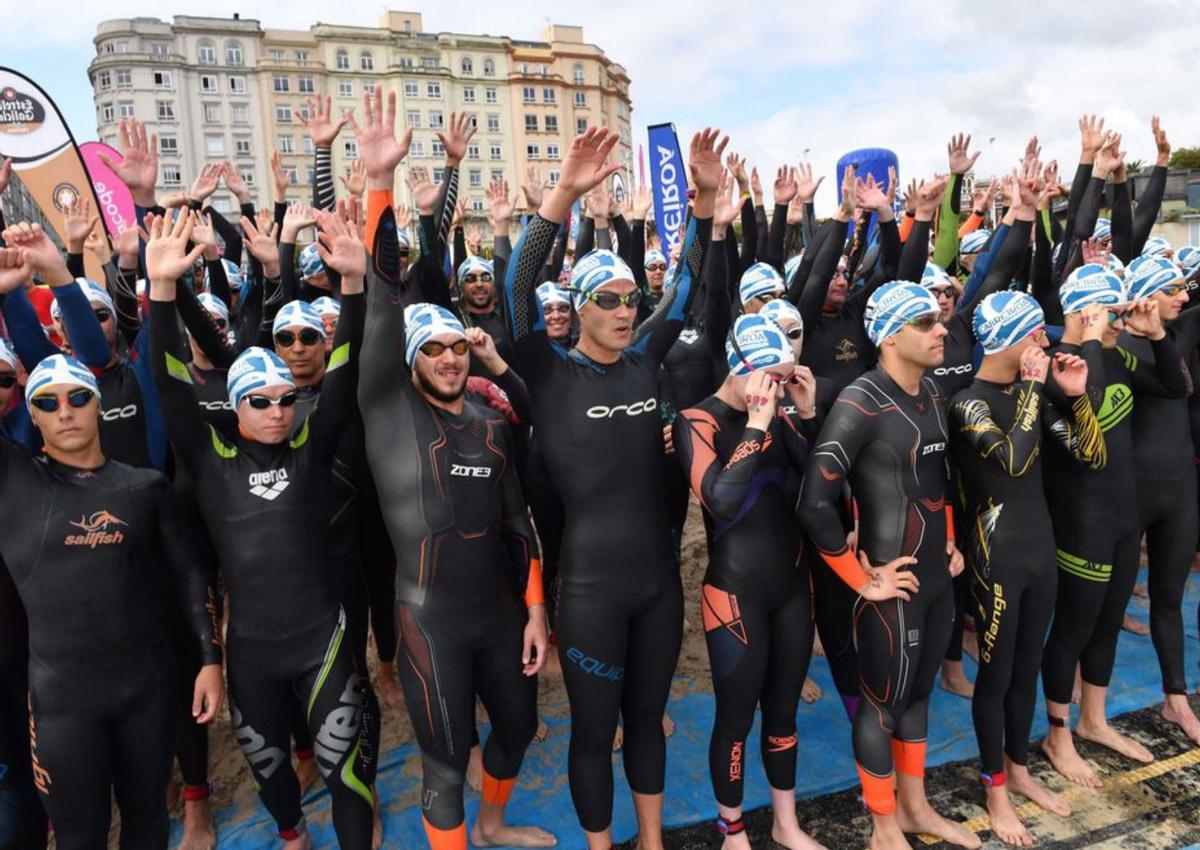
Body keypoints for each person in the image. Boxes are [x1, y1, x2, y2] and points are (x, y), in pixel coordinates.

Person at [502, 126, 723, 850]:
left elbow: (687, 284)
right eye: (609, 300)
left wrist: (709, 201)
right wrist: (564, 192)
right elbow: (517, 281)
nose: (627, 311)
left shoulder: (644, 359)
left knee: (648, 720)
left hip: (658, 585)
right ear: (577, 307)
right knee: (594, 734)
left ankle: (652, 841)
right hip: (590, 590)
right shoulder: (547, 368)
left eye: (632, 297)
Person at [347, 86, 552, 850]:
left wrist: (535, 610)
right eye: (431, 349)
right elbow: (380, 296)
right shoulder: (389, 410)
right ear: (408, 361)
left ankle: (493, 823)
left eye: (456, 346)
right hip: (429, 620)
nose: (446, 358)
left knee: (521, 726)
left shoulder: (490, 418)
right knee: (441, 764)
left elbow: (519, 521)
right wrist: (377, 186)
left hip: (500, 614)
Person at [146, 206, 374, 847]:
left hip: (320, 640)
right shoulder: (212, 461)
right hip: (251, 651)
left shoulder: (312, 451)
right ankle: (293, 835)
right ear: (235, 407)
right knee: (271, 769)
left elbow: (345, 371)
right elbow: (168, 384)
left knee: (346, 773)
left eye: (286, 400)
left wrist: (353, 287)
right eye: (260, 402)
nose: (277, 412)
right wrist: (162, 292)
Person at [0, 328, 222, 850]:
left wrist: (210, 659)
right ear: (31, 415)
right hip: (62, 704)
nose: (65, 411)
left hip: (147, 689)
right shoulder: (14, 483)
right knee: (81, 837)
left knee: (148, 824)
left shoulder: (143, 487)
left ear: (99, 405)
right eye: (47, 403)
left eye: (79, 397)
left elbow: (189, 573)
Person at [799, 280, 979, 850]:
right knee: (881, 708)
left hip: (934, 577)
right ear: (891, 335)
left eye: (938, 319)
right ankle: (883, 828)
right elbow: (814, 502)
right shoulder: (860, 402)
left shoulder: (929, 393)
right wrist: (861, 578)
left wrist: (948, 541)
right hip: (890, 586)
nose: (942, 328)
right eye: (925, 322)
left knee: (919, 697)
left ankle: (915, 808)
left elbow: (935, 485)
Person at [949, 291, 1106, 844]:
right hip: (997, 558)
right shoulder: (969, 401)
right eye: (1037, 334)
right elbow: (1013, 460)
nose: (1046, 343)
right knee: (995, 677)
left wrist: (1077, 397)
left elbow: (1091, 455)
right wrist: (1038, 391)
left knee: (1025, 670)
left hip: (1039, 552)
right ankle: (994, 791)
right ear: (1013, 340)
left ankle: (1018, 769)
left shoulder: (1028, 397)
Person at [674, 313, 824, 850]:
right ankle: (731, 829)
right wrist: (759, 426)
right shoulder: (697, 421)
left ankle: (785, 824)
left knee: (783, 712)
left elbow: (823, 490)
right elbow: (721, 499)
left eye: (785, 380)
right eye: (772, 379)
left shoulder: (784, 415)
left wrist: (804, 416)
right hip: (734, 593)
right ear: (742, 370)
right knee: (735, 717)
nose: (779, 390)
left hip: (791, 586)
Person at [1040, 263, 1188, 787]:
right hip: (1083, 523)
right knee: (1073, 631)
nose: (1122, 321)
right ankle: (1057, 735)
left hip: (1123, 519)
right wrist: (1095, 340)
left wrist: (1158, 336)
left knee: (1107, 626)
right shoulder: (1060, 369)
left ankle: (1093, 720)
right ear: (1086, 312)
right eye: (1112, 311)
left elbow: (1175, 387)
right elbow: (1093, 411)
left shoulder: (1117, 355)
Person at [1119, 254, 1200, 744]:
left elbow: (1178, 386)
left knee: (1169, 599)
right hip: (1129, 496)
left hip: (1178, 493)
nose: (1184, 296)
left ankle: (1176, 701)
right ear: (1147, 294)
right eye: (1173, 289)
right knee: (1105, 610)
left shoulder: (1179, 336)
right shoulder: (1119, 349)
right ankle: (1086, 711)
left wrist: (1158, 334)